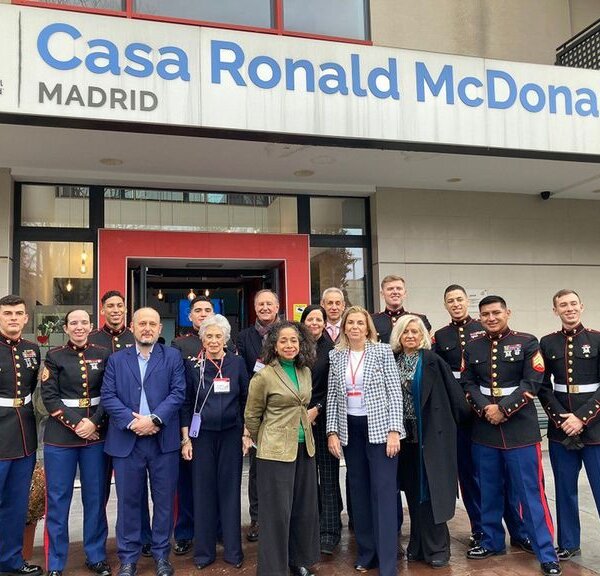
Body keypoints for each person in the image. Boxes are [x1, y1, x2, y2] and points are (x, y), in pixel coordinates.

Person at [463, 296, 561, 576]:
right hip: (485, 430)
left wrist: (504, 409)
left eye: (496, 312)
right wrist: (485, 409)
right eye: (485, 314)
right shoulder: (472, 346)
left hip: (520, 430)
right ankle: (492, 541)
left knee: (531, 494)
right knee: (489, 492)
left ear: (508, 312)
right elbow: (468, 382)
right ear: (479, 318)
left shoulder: (528, 342)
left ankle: (546, 552)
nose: (491, 318)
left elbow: (532, 382)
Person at [432, 285, 530, 551]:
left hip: (492, 410)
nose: (455, 304)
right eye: (450, 301)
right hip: (462, 412)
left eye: (459, 299)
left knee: (506, 476)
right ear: (445, 305)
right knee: (470, 475)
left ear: (467, 302)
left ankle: (519, 530)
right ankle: (480, 529)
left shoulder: (485, 329)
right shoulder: (440, 336)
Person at [101, 307, 186, 576]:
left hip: (163, 442)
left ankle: (162, 555)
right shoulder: (116, 359)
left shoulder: (172, 356)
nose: (147, 328)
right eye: (142, 324)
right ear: (133, 328)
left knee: (163, 502)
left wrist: (155, 420)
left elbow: (178, 392)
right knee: (128, 502)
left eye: (152, 323)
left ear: (160, 329)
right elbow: (108, 396)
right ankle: (128, 558)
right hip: (128, 440)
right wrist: (132, 421)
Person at [326, 306, 404, 576]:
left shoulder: (382, 352)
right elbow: (333, 397)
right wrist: (332, 432)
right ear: (344, 327)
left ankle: (387, 560)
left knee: (383, 492)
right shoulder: (335, 356)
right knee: (358, 492)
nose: (355, 327)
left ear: (368, 327)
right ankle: (367, 553)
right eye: (351, 323)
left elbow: (395, 393)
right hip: (351, 429)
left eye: (360, 322)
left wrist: (395, 430)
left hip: (380, 430)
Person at [391, 315, 469, 567]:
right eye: (406, 332)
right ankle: (418, 544)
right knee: (413, 492)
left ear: (422, 335)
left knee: (433, 491)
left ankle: (438, 547)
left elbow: (457, 400)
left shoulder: (434, 361)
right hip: (405, 440)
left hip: (432, 438)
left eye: (415, 331)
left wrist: (455, 430)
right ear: (399, 337)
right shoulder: (393, 361)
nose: (411, 336)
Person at [245, 321, 320, 576]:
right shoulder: (264, 375)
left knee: (302, 509)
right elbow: (252, 416)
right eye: (284, 341)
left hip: (304, 448)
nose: (289, 345)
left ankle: (298, 560)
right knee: (277, 514)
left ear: (301, 345)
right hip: (275, 452)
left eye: (294, 341)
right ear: (274, 346)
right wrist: (265, 439)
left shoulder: (305, 372)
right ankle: (273, 569)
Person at [41, 309, 111, 576]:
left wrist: (94, 422)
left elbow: (109, 393)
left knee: (95, 498)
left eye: (84, 322)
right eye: (74, 323)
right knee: (58, 500)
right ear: (67, 327)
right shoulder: (55, 356)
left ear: (91, 326)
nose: (79, 327)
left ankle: (95, 556)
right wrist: (78, 425)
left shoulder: (104, 354)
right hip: (61, 438)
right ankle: (56, 563)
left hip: (96, 435)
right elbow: (50, 398)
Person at [180, 314, 250, 569]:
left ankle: (233, 552)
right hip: (202, 437)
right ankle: (204, 554)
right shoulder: (193, 366)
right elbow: (186, 404)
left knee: (230, 492)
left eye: (218, 336)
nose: (213, 340)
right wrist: (186, 439)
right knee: (203, 492)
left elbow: (246, 399)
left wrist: (246, 433)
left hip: (231, 434)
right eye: (208, 336)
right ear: (202, 339)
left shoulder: (237, 363)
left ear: (225, 338)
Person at [89, 291, 152, 557]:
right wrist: (93, 421)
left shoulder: (136, 336)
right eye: (110, 306)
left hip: (134, 427)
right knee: (99, 492)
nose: (115, 310)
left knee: (136, 488)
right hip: (99, 428)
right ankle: (97, 547)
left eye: (120, 306)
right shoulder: (91, 339)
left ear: (126, 310)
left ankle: (144, 539)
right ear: (102, 310)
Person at [539, 289, 600, 561]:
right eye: (563, 305)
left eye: (573, 303)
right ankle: (568, 543)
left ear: (582, 306)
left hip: (595, 427)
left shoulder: (597, 339)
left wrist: (582, 417)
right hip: (561, 428)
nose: (569, 309)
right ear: (555, 310)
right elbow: (543, 386)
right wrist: (562, 419)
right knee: (564, 488)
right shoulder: (547, 342)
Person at [0, 295, 43, 576]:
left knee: (16, 505)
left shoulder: (32, 350)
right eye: (7, 314)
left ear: (26, 318)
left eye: (18, 313)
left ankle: (11, 561)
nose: (13, 318)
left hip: (24, 433)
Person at [170, 295, 215, 557]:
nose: (202, 314)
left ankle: (215, 528)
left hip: (218, 423)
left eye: (207, 310)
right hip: (189, 422)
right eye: (197, 310)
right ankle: (185, 532)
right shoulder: (179, 345)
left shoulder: (226, 342)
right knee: (186, 481)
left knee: (214, 481)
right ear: (190, 316)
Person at [236, 289, 280, 542]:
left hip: (283, 410)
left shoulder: (289, 331)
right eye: (260, 304)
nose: (264, 307)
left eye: (269, 304)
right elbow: (243, 375)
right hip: (257, 410)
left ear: (277, 306)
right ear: (255, 307)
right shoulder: (244, 337)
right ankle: (257, 518)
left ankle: (282, 515)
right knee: (257, 468)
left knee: (284, 464)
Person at [300, 304, 342, 555]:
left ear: (325, 323)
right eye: (310, 319)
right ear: (303, 321)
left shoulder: (333, 351)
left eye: (319, 319)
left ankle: (329, 531)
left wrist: (317, 408)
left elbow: (336, 388)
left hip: (324, 420)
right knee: (305, 479)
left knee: (327, 477)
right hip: (298, 421)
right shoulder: (296, 347)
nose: (314, 323)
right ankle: (309, 528)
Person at [371, 275, 431, 344]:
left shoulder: (419, 319)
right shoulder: (372, 320)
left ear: (404, 293)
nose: (395, 292)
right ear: (382, 294)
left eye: (399, 288)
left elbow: (427, 346)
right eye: (390, 289)